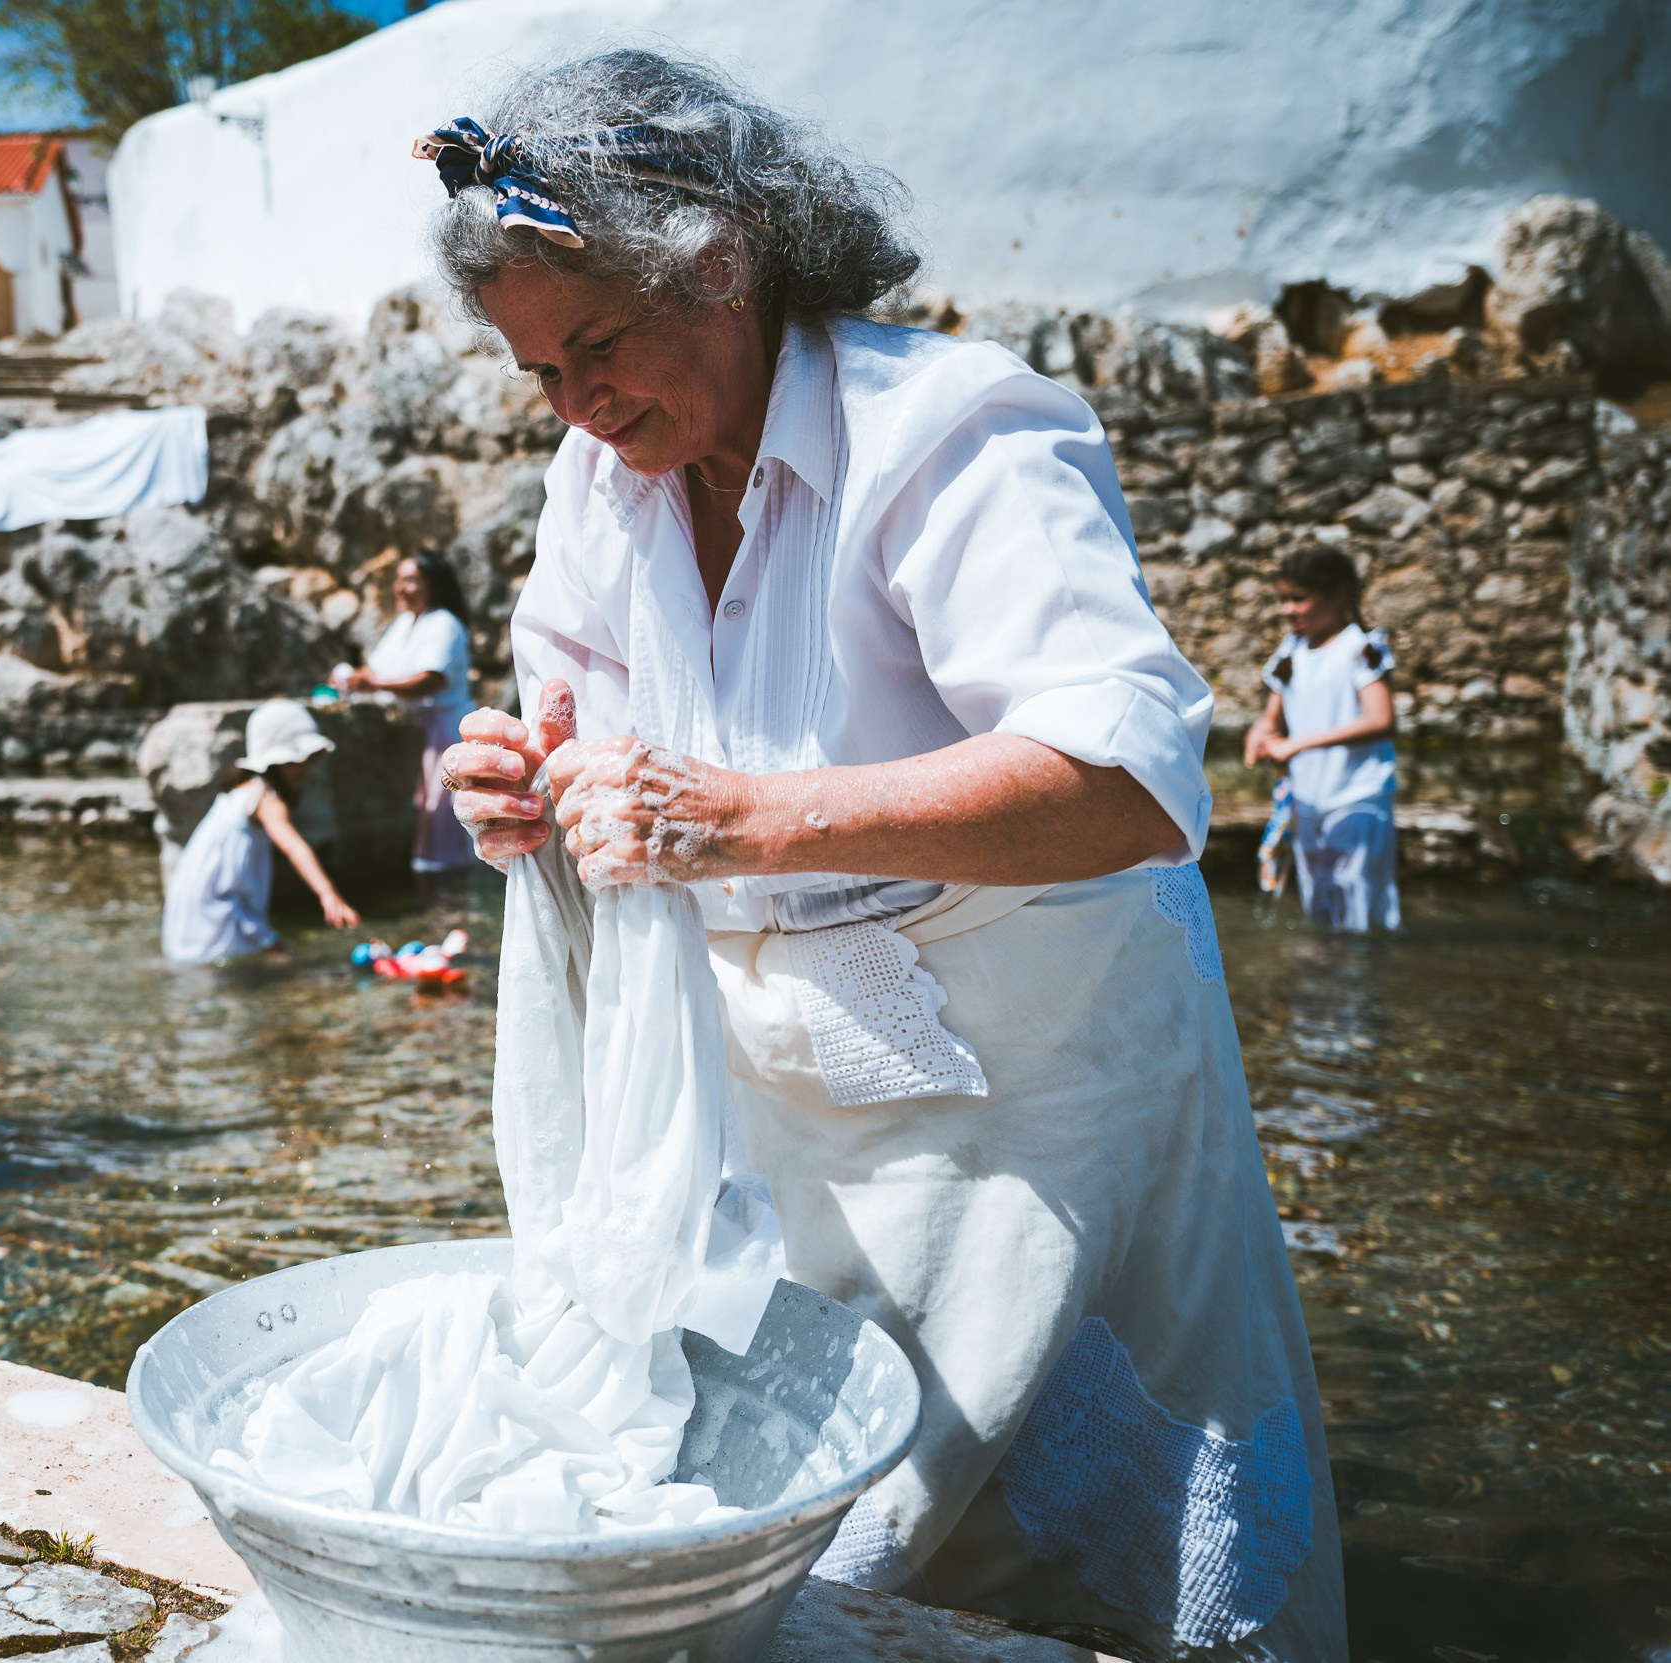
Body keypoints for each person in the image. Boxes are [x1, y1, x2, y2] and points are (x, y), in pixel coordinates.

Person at [429, 50, 1344, 1663]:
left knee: (1098, 1559)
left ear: (717, 261)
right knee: (811, 1544)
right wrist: (520, 792)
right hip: (787, 1124)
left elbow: (1131, 776)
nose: (575, 407)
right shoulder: (602, 487)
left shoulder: (945, 432)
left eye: (599, 348)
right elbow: (581, 736)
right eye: (538, 374)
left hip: (1041, 1122)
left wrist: (736, 821)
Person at [1242, 548, 1399, 931]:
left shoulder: (1361, 648)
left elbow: (1381, 718)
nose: (1287, 610)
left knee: (1357, 903)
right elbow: (1270, 717)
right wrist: (1258, 738)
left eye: (1299, 598)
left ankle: (1360, 982)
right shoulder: (1290, 652)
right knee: (1320, 906)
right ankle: (1327, 985)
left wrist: (1299, 743)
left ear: (1339, 596)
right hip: (1309, 801)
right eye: (1283, 599)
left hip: (1357, 798)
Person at [162, 700, 362, 963]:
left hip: (199, 901)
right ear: (276, 761)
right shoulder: (266, 799)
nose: (305, 768)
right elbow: (294, 847)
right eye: (297, 760)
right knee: (282, 959)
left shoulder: (242, 787)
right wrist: (327, 892)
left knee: (213, 965)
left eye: (309, 760)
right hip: (221, 906)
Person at [341, 552, 478, 899]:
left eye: (411, 579)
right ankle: (434, 898)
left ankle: (453, 899)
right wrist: (355, 677)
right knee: (428, 815)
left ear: (434, 585)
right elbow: (378, 670)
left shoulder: (444, 624)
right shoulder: (406, 624)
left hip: (447, 731)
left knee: (445, 815)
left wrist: (375, 685)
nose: (401, 588)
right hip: (419, 733)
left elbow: (429, 681)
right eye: (399, 579)